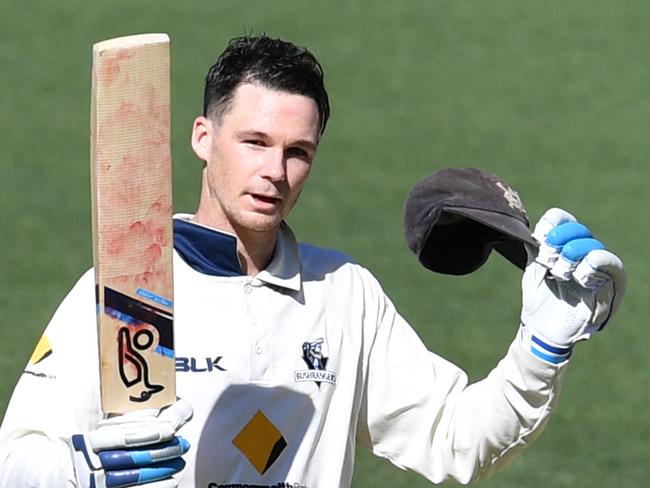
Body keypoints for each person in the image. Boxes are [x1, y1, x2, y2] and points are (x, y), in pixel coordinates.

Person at [0, 35, 626, 488]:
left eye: (297, 151)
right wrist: (75, 469)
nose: (275, 171)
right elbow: (14, 463)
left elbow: (455, 439)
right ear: (202, 137)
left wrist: (541, 350)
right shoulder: (128, 288)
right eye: (254, 142)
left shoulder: (344, 294)